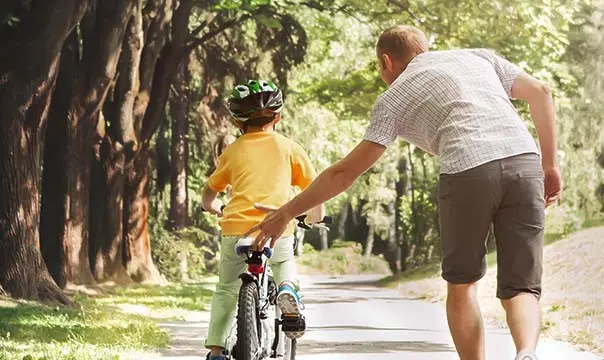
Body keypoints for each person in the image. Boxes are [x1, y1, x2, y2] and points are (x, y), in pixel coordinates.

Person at [247, 26, 562, 360]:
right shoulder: (477, 57)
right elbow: (540, 92)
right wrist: (550, 165)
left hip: (467, 169)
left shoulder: (394, 97)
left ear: (387, 62)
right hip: (524, 162)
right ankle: (526, 352)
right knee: (522, 286)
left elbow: (343, 173)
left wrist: (283, 213)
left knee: (463, 284)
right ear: (424, 49)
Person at [202, 79, 324, 359]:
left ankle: (216, 349)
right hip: (277, 228)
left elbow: (210, 192)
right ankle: (287, 290)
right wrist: (314, 218)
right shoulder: (290, 148)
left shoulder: (231, 152)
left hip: (236, 231)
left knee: (225, 289)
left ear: (237, 122)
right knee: (283, 261)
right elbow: (314, 191)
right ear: (278, 117)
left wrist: (213, 207)